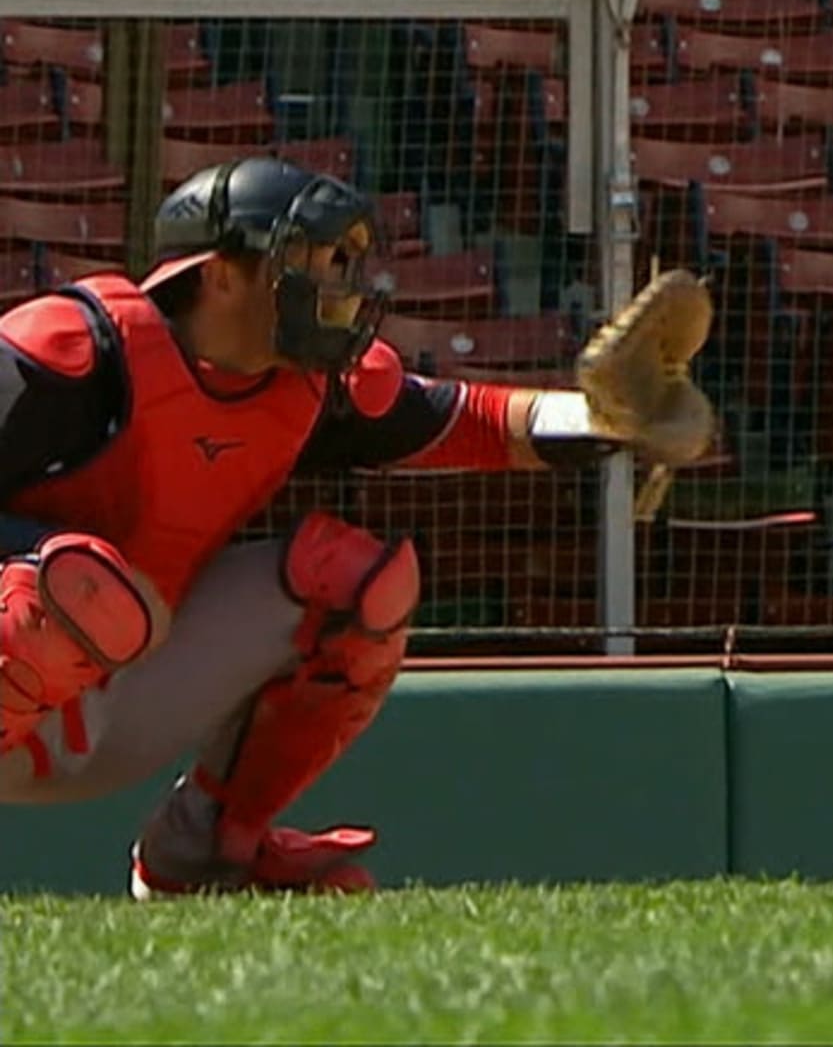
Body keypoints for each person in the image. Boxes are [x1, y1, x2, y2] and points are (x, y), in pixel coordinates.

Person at [0, 156, 713, 894]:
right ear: (220, 276)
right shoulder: (75, 350)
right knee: (73, 586)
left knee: (355, 582)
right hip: (38, 634)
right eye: (308, 264)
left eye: (341, 265)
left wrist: (613, 419)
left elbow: (466, 422)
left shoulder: (303, 386)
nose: (336, 290)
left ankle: (206, 855)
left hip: (104, 698)